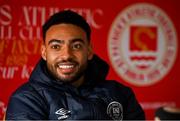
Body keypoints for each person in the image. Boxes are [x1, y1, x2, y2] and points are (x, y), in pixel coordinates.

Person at [5, 10, 145, 120]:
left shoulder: (120, 94)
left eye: (76, 46)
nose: (66, 55)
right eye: (56, 47)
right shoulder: (26, 99)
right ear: (44, 52)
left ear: (89, 51)